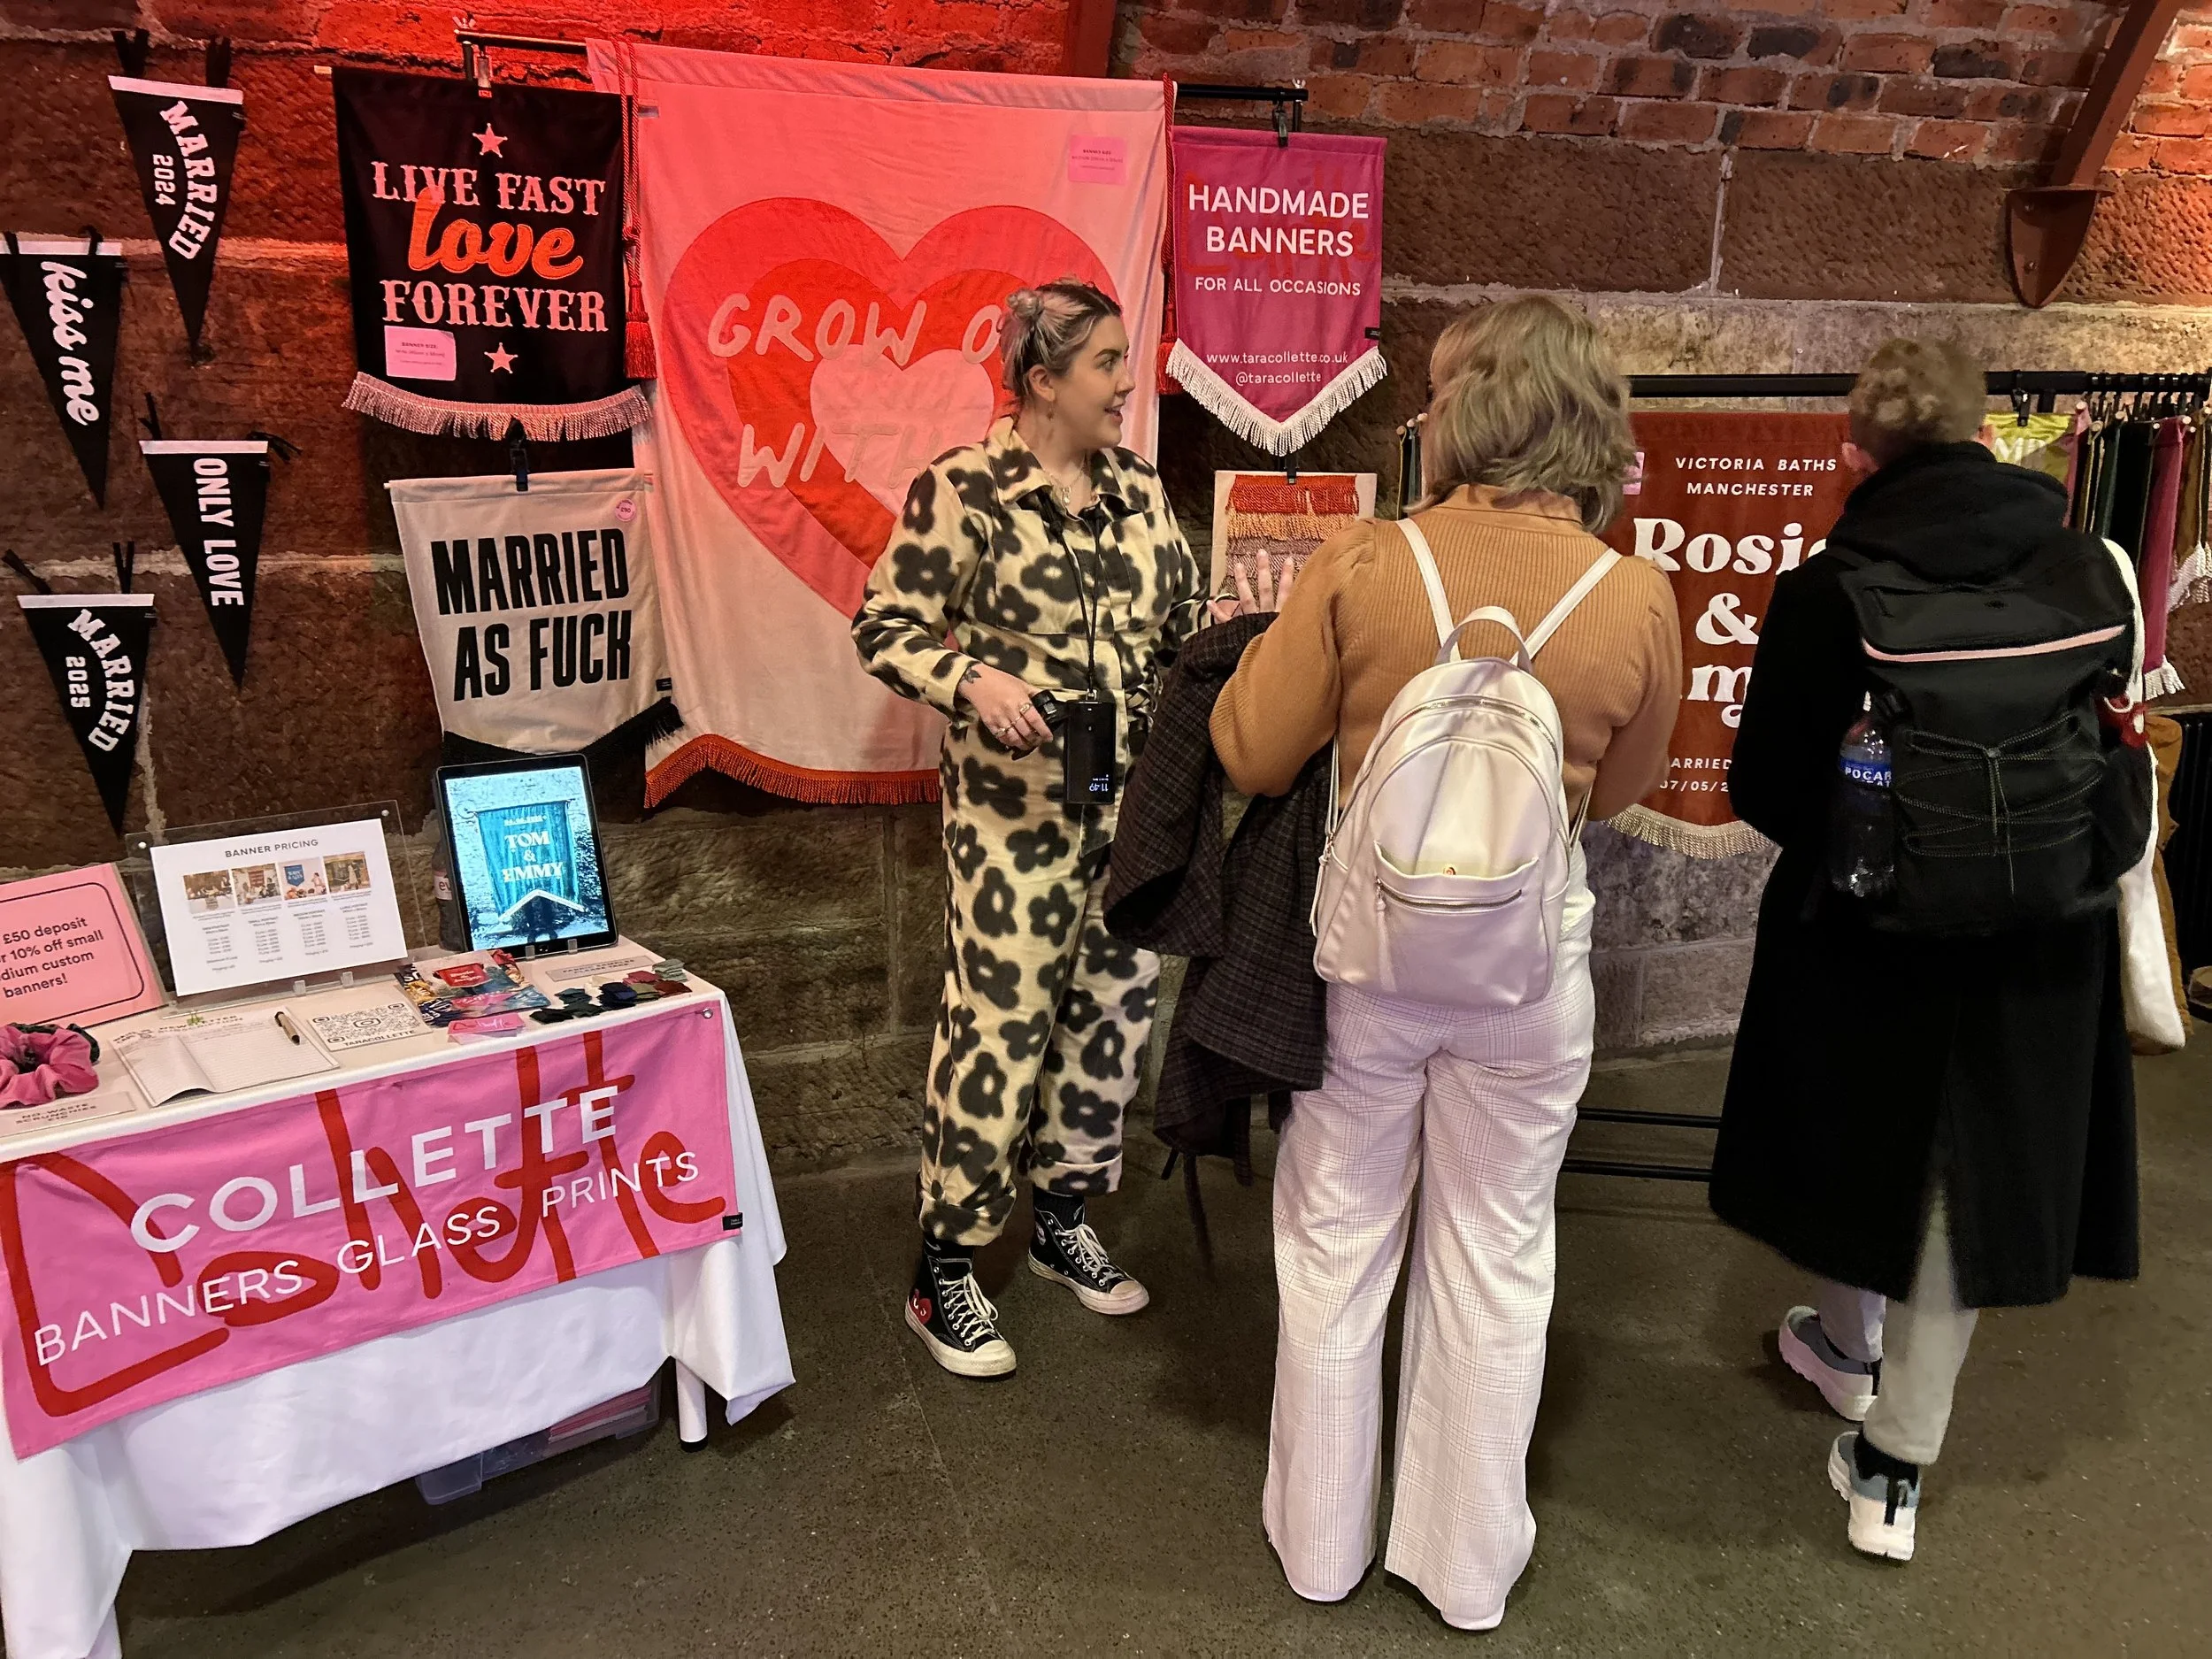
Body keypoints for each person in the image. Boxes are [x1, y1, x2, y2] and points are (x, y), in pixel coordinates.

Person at [1210, 296, 1682, 1629]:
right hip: (1527, 972)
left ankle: (1320, 1545)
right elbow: (1621, 789)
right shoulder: (1634, 594)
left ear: (1467, 415)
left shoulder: (1367, 561)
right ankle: (1465, 1567)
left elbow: (1251, 755)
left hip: (1369, 963)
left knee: (1336, 1235)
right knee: (1497, 1245)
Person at [1710, 338, 2141, 1563]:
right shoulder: (2092, 564)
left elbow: (1765, 786)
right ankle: (1890, 1453)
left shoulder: (1826, 590)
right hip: (2044, 927)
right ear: (1985, 433)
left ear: (1860, 454)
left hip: (1870, 923)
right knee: (1970, 1173)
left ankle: (1861, 1378)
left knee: (1863, 1134)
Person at [852, 280, 1210, 1379]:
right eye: (1107, 363)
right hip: (1012, 825)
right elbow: (883, 624)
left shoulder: (1138, 489)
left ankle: (1061, 1221)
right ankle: (944, 1266)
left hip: (1127, 811)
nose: (1127, 383)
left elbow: (1180, 623)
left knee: (1109, 1021)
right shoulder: (962, 489)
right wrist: (971, 678)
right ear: (1043, 381)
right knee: (997, 1033)